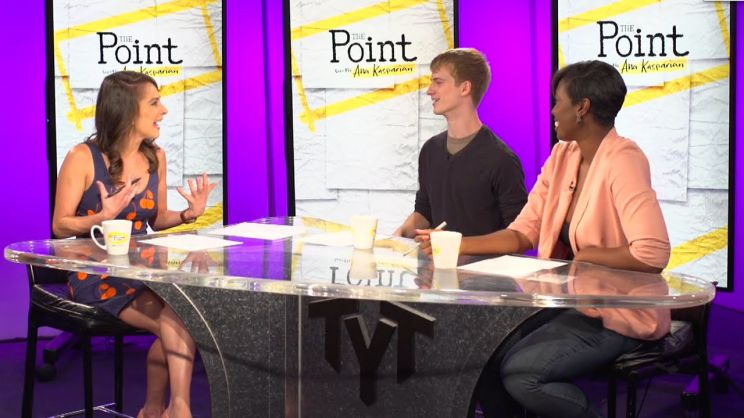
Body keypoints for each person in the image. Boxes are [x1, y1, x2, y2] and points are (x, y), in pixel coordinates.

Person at [419, 60, 671, 417]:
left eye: (558, 102)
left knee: (523, 376)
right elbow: (522, 233)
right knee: (481, 355)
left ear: (582, 108)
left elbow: (652, 253)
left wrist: (586, 258)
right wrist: (456, 243)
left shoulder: (624, 160)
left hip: (619, 313)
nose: (552, 111)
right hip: (570, 305)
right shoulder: (562, 156)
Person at [52, 71, 216, 418]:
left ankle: (154, 409)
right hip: (96, 273)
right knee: (181, 320)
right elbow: (60, 225)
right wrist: (101, 217)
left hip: (144, 270)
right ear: (126, 110)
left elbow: (157, 218)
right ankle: (177, 410)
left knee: (189, 315)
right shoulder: (82, 157)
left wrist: (187, 214)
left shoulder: (155, 156)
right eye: (154, 103)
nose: (164, 110)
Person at [394, 48, 527, 238]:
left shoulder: (502, 159)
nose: (429, 90)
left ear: (465, 88)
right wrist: (398, 236)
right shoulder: (430, 150)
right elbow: (425, 211)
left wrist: (458, 245)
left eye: (438, 82)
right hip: (437, 258)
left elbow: (518, 235)